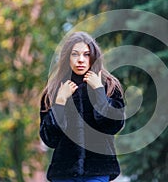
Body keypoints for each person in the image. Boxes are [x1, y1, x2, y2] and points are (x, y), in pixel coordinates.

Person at [39, 31, 125, 182]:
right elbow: (49, 139)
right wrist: (59, 101)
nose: (80, 60)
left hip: (97, 171)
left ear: (93, 56)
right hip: (63, 174)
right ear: (67, 57)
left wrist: (98, 92)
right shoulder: (54, 90)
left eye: (86, 54)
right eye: (75, 54)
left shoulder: (109, 86)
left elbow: (113, 125)